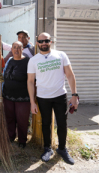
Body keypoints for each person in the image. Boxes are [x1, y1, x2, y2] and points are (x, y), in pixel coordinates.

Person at [27, 32, 79, 165]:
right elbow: (30, 81)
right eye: (41, 41)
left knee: (62, 123)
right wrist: (32, 102)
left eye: (47, 41)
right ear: (37, 43)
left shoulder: (61, 55)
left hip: (60, 95)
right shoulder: (33, 60)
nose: (44, 43)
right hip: (43, 97)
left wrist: (74, 95)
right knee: (45, 123)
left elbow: (70, 75)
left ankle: (62, 149)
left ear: (51, 42)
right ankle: (47, 149)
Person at [3, 41, 30, 148]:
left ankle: (22, 140)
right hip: (8, 96)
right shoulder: (10, 60)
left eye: (19, 48)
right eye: (14, 47)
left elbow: (32, 80)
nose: (16, 50)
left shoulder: (28, 61)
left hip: (22, 97)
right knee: (10, 118)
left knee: (22, 119)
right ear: (11, 49)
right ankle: (11, 136)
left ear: (22, 49)